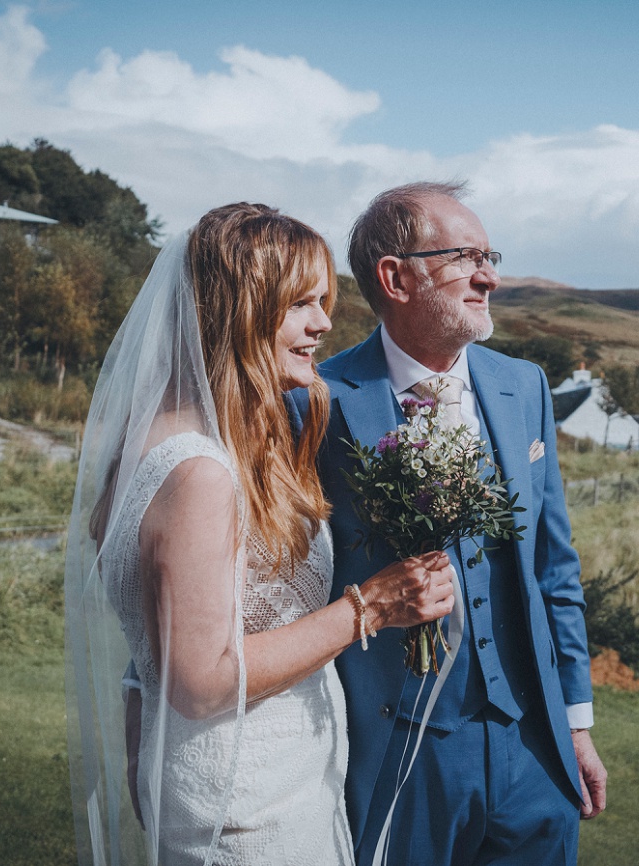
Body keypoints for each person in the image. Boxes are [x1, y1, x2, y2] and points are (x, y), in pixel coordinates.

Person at [64, 202, 456, 866]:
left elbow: (149, 673)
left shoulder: (169, 438)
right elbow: (201, 681)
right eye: (300, 303)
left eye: (322, 300)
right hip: (245, 807)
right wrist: (370, 607)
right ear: (242, 310)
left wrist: (148, 770)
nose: (323, 323)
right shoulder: (199, 473)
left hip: (262, 785)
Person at [308, 181, 608, 865]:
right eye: (465, 257)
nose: (490, 276)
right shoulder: (321, 399)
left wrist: (576, 728)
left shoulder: (523, 385)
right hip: (398, 750)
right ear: (396, 276)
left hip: (534, 748)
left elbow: (552, 568)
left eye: (490, 255)